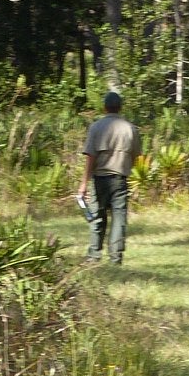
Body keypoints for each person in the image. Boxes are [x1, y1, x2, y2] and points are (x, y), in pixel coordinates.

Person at [77, 91, 138, 264]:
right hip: (120, 179)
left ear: (104, 107)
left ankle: (94, 255)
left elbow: (90, 157)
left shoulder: (96, 127)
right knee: (119, 219)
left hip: (99, 178)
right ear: (120, 108)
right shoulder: (130, 128)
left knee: (97, 217)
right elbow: (135, 156)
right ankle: (115, 257)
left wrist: (83, 184)